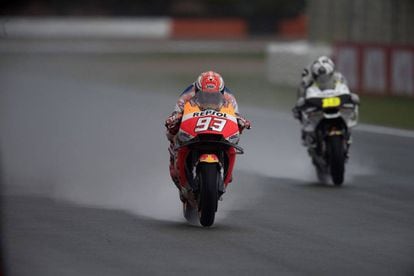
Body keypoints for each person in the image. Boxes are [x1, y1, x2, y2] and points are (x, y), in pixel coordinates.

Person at [164, 71, 251, 189]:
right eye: (205, 95)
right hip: (196, 120)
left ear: (221, 92)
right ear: (198, 91)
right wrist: (174, 118)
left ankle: (227, 170)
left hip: (217, 124)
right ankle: (175, 161)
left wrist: (241, 121)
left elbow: (234, 114)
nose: (209, 98)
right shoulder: (188, 94)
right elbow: (177, 111)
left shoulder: (228, 96)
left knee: (236, 133)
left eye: (214, 95)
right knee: (171, 131)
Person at [292, 55, 359, 121]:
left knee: (354, 98)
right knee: (301, 103)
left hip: (334, 96)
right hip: (318, 98)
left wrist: (350, 98)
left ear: (331, 72)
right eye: (319, 76)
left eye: (326, 76)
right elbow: (302, 90)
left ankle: (347, 117)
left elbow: (346, 90)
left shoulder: (339, 77)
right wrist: (301, 103)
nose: (323, 78)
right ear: (314, 74)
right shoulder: (308, 79)